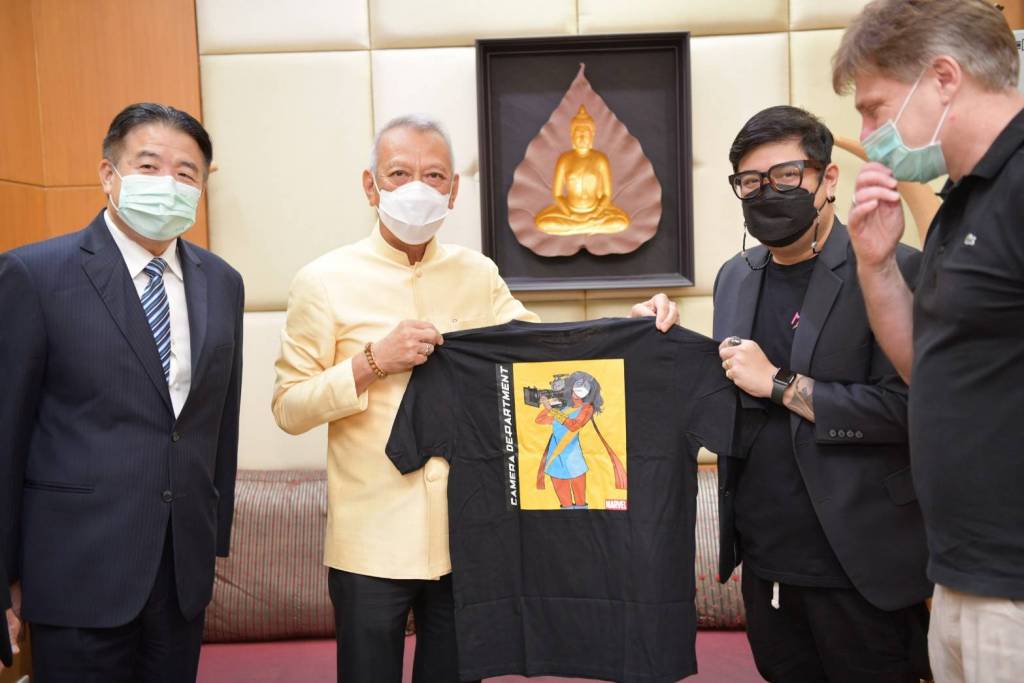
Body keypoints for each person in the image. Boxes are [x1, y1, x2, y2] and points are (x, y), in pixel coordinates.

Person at [272, 113, 677, 683]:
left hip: (469, 537)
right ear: (371, 185)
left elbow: (545, 357)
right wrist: (371, 362)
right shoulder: (323, 280)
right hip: (371, 542)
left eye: (434, 175)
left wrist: (627, 329)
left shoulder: (478, 274)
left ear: (454, 191)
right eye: (399, 173)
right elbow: (289, 408)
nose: (417, 188)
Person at [0, 102, 244, 682]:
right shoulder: (34, 274)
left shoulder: (222, 282)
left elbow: (220, 423)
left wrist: (211, 542)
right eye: (149, 166)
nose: (168, 183)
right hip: (76, 571)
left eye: (186, 173)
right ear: (108, 175)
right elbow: (5, 436)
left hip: (181, 575)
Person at [833, 1, 1024, 680]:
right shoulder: (960, 200)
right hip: (959, 571)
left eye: (874, 109)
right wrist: (877, 266)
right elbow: (928, 366)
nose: (867, 135)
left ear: (943, 78)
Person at [712, 105, 931, 682]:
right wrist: (657, 333)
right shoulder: (734, 276)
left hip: (862, 565)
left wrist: (782, 384)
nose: (768, 192)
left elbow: (911, 410)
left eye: (786, 175)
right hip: (766, 562)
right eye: (751, 181)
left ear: (828, 178)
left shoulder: (892, 271)